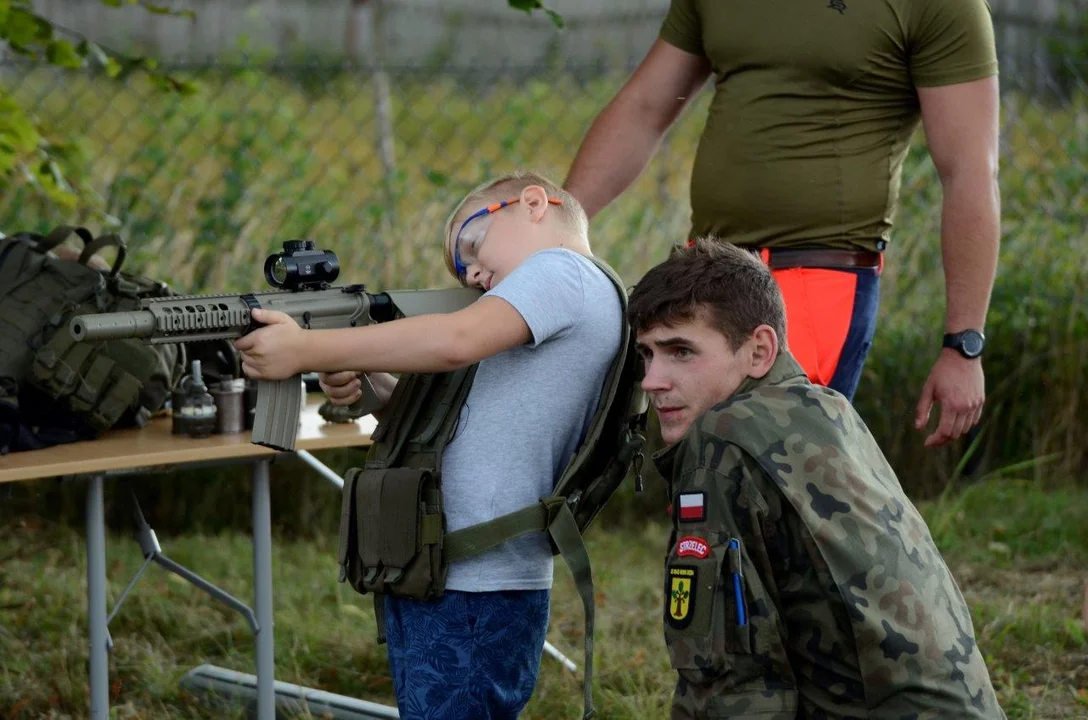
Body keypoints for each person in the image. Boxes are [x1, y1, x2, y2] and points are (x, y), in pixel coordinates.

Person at [234, 171, 624, 719]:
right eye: (463, 271)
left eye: (471, 245)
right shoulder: (536, 301)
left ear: (534, 203)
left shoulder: (562, 271)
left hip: (475, 580)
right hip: (445, 568)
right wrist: (373, 385)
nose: (474, 273)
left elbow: (452, 341)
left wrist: (304, 348)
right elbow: (461, 420)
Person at [563, 0, 1001, 448]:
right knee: (698, 468)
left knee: (778, 469)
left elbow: (969, 171)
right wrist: (558, 227)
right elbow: (644, 108)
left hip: (819, 276)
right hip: (709, 267)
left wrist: (963, 345)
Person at [628, 238, 1005, 719]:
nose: (652, 380)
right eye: (647, 354)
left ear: (759, 350)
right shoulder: (826, 408)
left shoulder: (721, 439)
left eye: (681, 351)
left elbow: (730, 678)